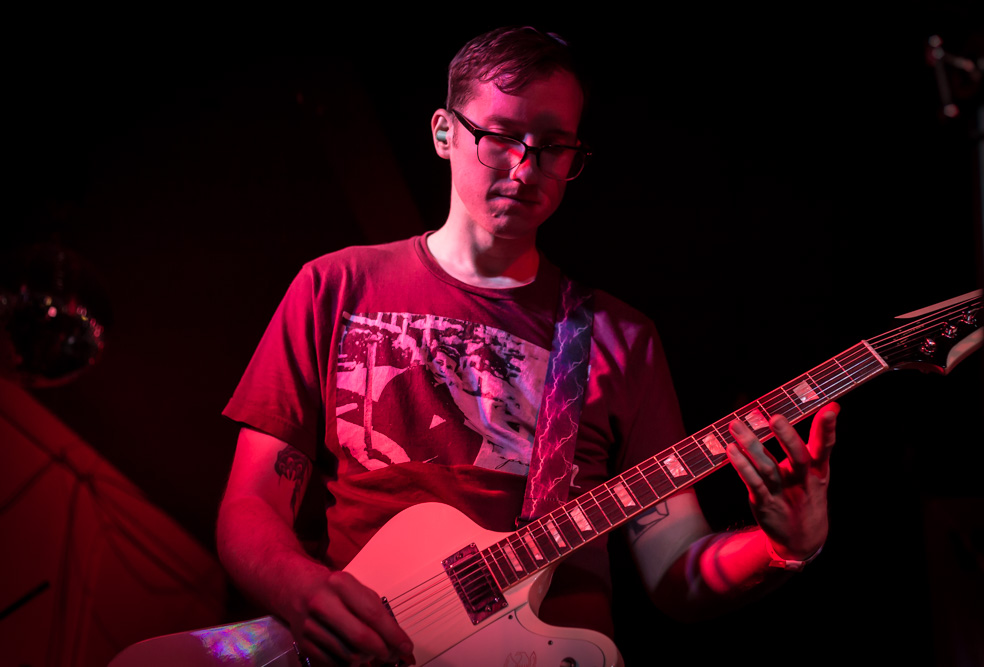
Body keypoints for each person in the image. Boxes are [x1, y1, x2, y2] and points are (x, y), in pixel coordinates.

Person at [216, 26, 838, 667]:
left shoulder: (622, 339)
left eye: (553, 146)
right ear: (444, 133)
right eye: (501, 137)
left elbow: (675, 569)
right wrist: (301, 592)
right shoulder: (337, 285)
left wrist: (783, 547)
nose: (526, 168)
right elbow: (250, 503)